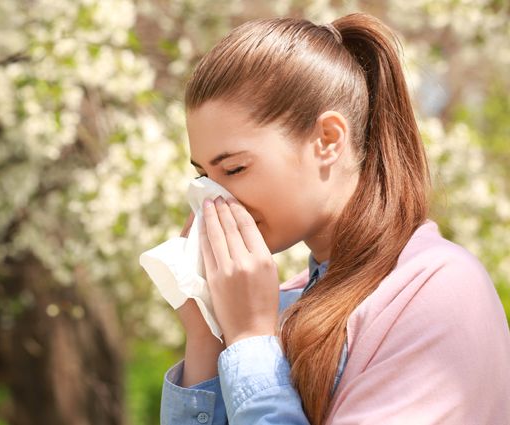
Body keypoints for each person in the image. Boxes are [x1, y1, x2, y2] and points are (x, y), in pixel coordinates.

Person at [158, 12, 510, 425]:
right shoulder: (284, 304)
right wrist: (207, 335)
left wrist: (251, 340)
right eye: (203, 175)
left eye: (234, 169)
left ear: (327, 140)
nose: (212, 199)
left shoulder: (436, 290)